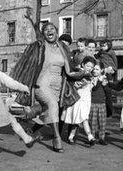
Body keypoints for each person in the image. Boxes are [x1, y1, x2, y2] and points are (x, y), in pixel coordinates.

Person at [10, 22, 86, 153]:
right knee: (52, 105)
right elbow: (26, 63)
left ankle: (32, 112)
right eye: (46, 30)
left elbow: (69, 69)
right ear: (43, 34)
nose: (49, 31)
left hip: (58, 85)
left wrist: (82, 73)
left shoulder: (63, 47)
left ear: (56, 32)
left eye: (52, 29)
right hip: (42, 82)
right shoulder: (39, 46)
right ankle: (57, 138)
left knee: (49, 107)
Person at [61, 56, 97, 146]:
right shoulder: (79, 74)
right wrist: (80, 84)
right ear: (83, 65)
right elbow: (74, 85)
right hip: (78, 100)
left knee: (78, 120)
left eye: (91, 67)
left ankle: (70, 137)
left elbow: (89, 89)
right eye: (88, 66)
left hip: (86, 100)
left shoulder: (90, 76)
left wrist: (92, 83)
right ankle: (90, 137)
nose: (90, 68)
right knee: (84, 118)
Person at [96, 39, 118, 118]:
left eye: (104, 46)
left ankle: (109, 111)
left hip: (109, 70)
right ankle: (104, 110)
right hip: (103, 71)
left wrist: (114, 69)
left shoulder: (111, 52)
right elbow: (96, 56)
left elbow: (115, 61)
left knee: (108, 90)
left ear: (108, 45)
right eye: (101, 46)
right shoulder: (100, 52)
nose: (102, 47)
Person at [89, 61, 109, 145]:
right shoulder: (90, 78)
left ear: (101, 70)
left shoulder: (104, 78)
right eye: (93, 69)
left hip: (101, 103)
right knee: (92, 122)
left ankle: (102, 138)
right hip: (92, 102)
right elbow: (93, 89)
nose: (94, 71)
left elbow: (108, 92)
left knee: (102, 122)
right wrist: (99, 81)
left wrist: (105, 85)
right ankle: (92, 138)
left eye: (97, 69)